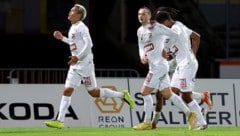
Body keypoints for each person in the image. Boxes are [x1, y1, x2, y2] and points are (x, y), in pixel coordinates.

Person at [44, 4, 135, 129]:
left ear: (79, 15)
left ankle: (122, 95)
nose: (69, 12)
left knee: (94, 92)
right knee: (67, 90)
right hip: (75, 66)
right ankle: (59, 121)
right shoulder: (73, 27)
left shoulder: (82, 27)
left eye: (72, 11)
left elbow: (89, 45)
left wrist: (78, 57)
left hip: (85, 65)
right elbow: (74, 44)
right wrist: (62, 38)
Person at [133, 6, 196, 130]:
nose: (141, 16)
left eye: (144, 14)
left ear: (150, 16)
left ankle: (147, 122)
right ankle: (190, 114)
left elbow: (174, 35)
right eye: (139, 14)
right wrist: (142, 56)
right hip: (154, 65)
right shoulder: (140, 30)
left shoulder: (156, 27)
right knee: (168, 94)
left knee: (144, 92)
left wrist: (166, 49)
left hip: (159, 66)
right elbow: (141, 46)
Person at [151, 8, 210, 130]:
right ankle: (202, 99)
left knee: (185, 96)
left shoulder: (176, 29)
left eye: (162, 25)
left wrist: (191, 55)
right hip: (181, 64)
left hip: (187, 65)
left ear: (167, 21)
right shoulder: (180, 25)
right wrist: (189, 53)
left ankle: (202, 123)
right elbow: (196, 37)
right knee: (171, 92)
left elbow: (177, 37)